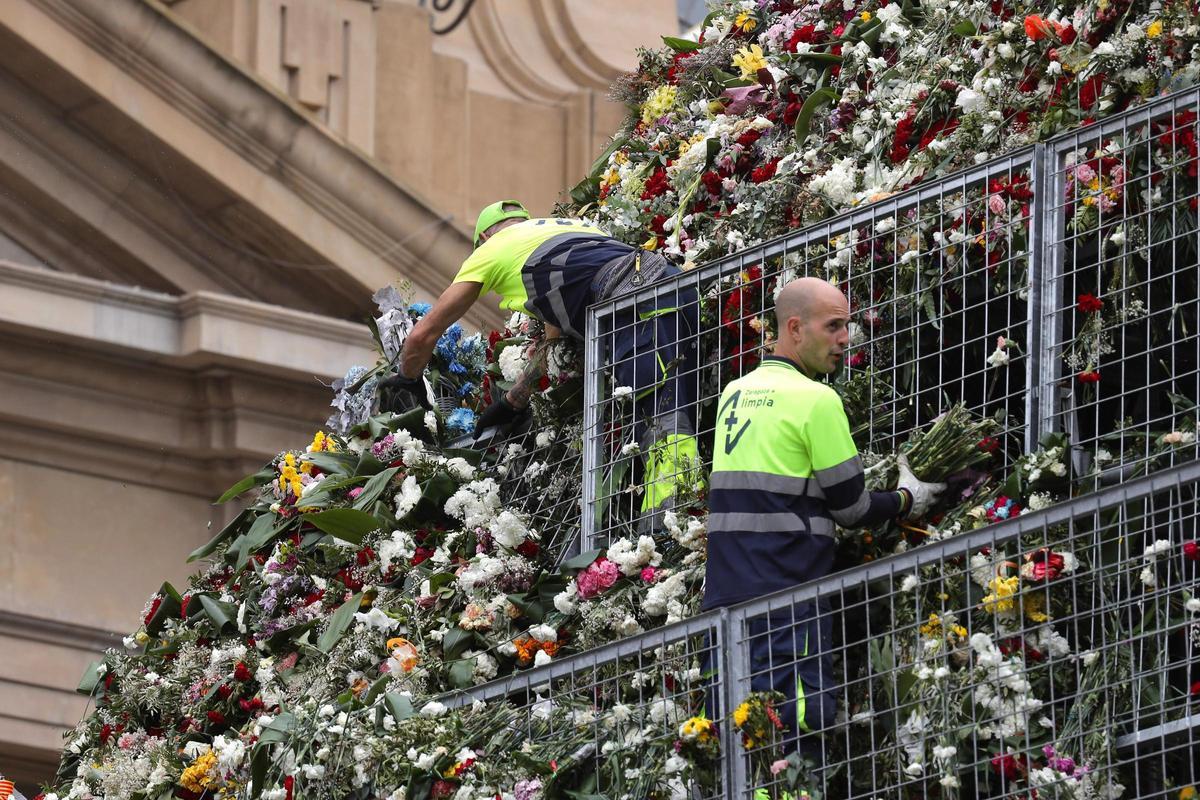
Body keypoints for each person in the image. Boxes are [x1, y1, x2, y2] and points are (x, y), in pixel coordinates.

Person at [702, 277, 945, 760]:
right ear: (795, 327)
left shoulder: (735, 392)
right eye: (834, 326)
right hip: (789, 599)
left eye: (847, 326)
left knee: (736, 736)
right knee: (796, 734)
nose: (845, 338)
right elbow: (852, 510)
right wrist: (904, 498)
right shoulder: (817, 401)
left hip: (727, 600)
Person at [379, 200, 699, 516]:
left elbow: (423, 334)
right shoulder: (571, 233)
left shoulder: (493, 249)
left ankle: (669, 519)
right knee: (678, 411)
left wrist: (408, 379)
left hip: (634, 307)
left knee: (662, 420)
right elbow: (551, 349)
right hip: (675, 290)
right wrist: (512, 402)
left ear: (484, 240)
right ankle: (679, 507)